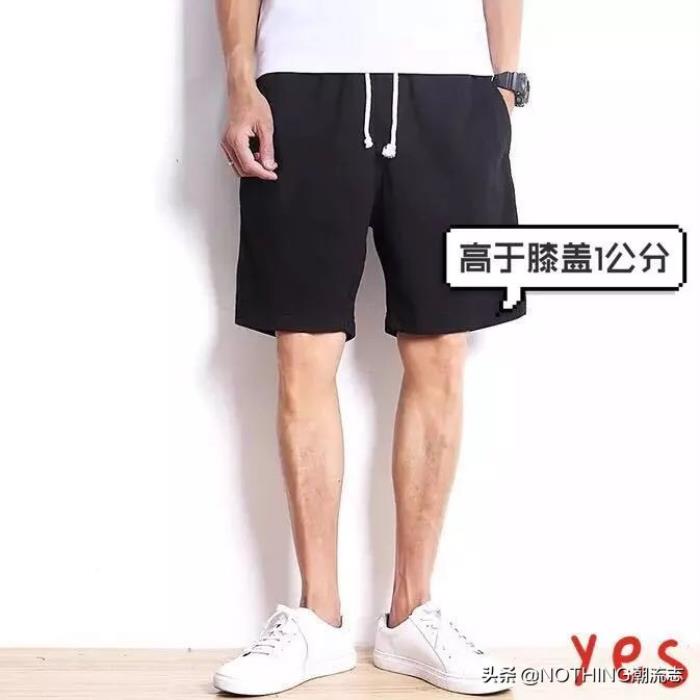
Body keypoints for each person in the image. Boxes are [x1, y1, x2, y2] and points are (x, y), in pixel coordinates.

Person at [214, 0, 530, 695]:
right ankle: (318, 619)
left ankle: (411, 615)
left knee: (441, 351)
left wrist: (505, 86)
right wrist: (241, 81)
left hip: (452, 91)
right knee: (303, 348)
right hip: (300, 85)